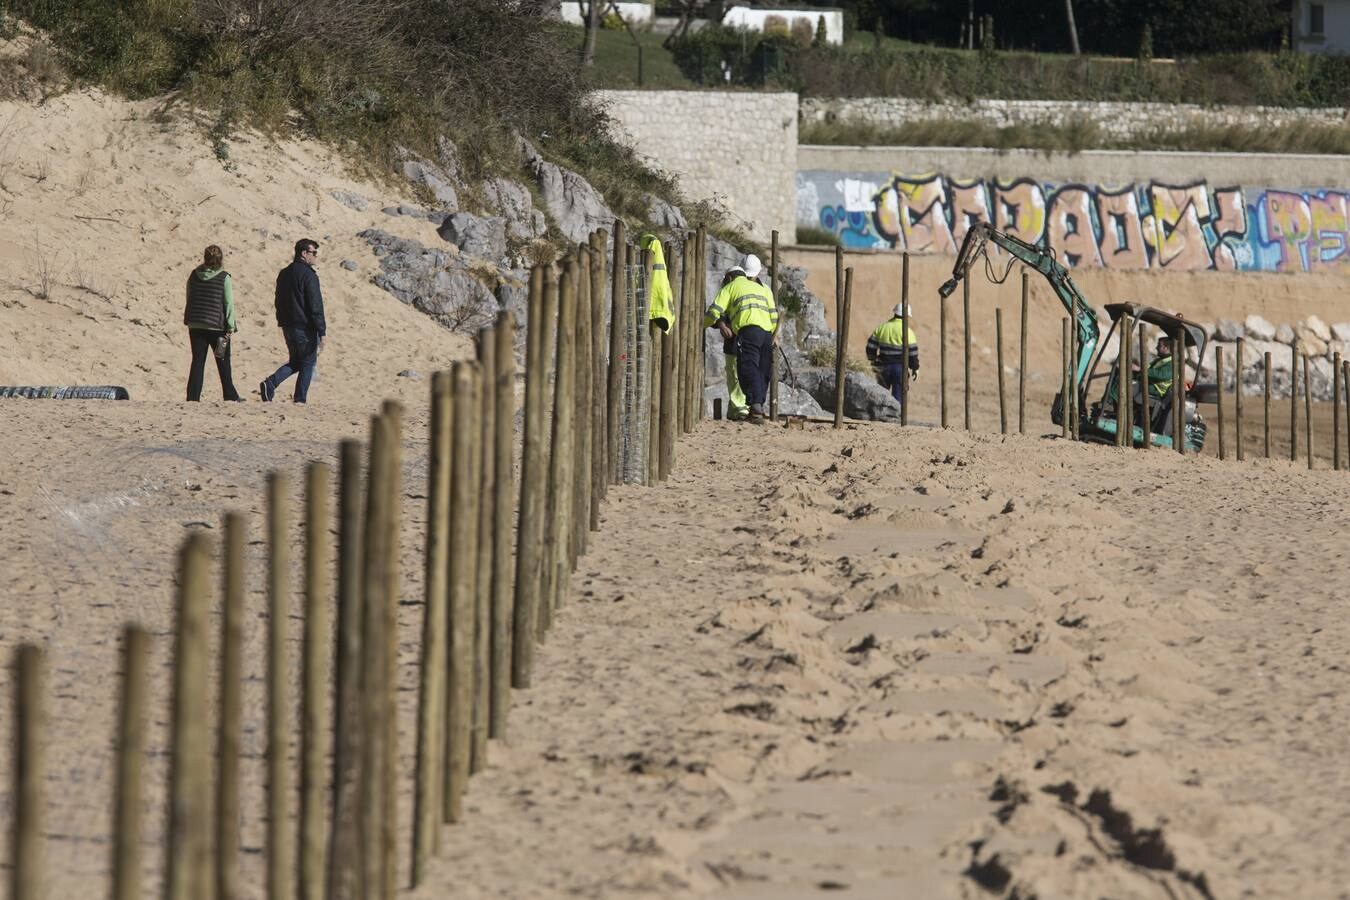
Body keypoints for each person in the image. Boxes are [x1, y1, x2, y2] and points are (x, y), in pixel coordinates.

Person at [704, 253, 777, 424]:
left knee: (748, 368)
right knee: (762, 370)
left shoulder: (731, 286)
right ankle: (757, 407)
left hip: (747, 332)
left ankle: (755, 406)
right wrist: (773, 335)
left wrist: (701, 324)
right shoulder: (763, 288)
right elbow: (773, 316)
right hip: (766, 333)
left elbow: (714, 312)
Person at [260, 238, 326, 403]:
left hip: (288, 325)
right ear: (304, 253)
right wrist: (322, 331)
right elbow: (315, 305)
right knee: (308, 363)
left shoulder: (284, 273)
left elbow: (278, 300)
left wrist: (282, 320)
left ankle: (270, 383)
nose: (316, 257)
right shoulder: (309, 276)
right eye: (314, 253)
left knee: (297, 361)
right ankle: (300, 399)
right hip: (304, 326)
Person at [184, 244, 243, 402]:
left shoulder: (194, 275)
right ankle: (230, 395)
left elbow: (189, 296)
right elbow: (228, 304)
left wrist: (190, 318)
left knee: (197, 362)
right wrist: (231, 326)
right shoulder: (224, 277)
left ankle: (192, 397)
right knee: (222, 360)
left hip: (196, 325)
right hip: (217, 328)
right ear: (221, 259)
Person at [866, 303, 919, 414]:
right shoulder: (908, 332)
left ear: (895, 313)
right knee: (898, 396)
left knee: (880, 394)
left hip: (882, 367)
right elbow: (913, 354)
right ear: (907, 316)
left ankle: (879, 415)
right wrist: (915, 368)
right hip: (900, 368)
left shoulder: (882, 328)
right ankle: (895, 416)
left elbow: (871, 346)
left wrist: (872, 359)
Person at [715, 266, 749, 421]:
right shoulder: (731, 291)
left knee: (737, 376)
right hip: (734, 342)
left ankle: (741, 409)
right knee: (733, 376)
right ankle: (735, 409)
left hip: (741, 340)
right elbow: (719, 314)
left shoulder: (733, 290)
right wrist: (721, 325)